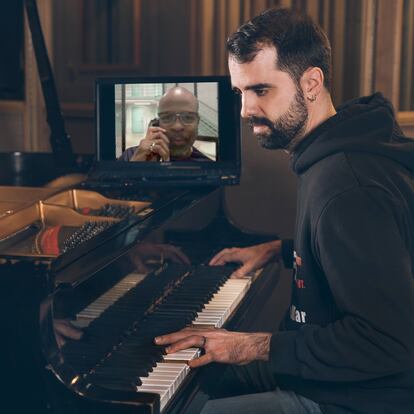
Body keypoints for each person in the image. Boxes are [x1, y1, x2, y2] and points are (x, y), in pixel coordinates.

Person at [154, 8, 414, 414]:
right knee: (195, 378)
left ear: (311, 83)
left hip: (354, 398)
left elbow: (389, 342)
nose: (244, 111)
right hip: (324, 375)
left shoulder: (347, 187)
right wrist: (282, 249)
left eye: (260, 90)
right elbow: (364, 248)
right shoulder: (341, 149)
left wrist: (250, 345)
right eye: (240, 92)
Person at [120, 86, 211, 162]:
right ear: (157, 124)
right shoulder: (130, 156)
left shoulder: (210, 168)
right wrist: (134, 169)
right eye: (167, 117)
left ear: (197, 122)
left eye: (188, 118)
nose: (177, 127)